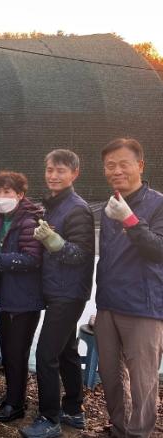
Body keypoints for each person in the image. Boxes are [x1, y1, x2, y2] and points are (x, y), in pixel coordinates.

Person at [20, 150, 95, 438]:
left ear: (75, 174)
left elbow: (81, 254)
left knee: (46, 354)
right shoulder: (53, 206)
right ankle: (73, 410)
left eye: (61, 170)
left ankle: (49, 418)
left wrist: (55, 242)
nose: (53, 175)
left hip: (68, 292)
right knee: (66, 351)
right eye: (50, 170)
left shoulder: (77, 209)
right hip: (58, 289)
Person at [94, 138, 163, 438]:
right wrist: (101, 305)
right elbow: (109, 257)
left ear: (140, 166)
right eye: (110, 166)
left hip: (142, 306)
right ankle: (119, 428)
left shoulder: (158, 204)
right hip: (109, 304)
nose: (116, 171)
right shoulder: (110, 205)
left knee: (142, 381)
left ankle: (138, 433)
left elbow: (158, 251)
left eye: (124, 164)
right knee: (110, 376)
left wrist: (131, 221)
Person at [0, 171, 43, 422]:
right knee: (9, 350)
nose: (1, 197)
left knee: (16, 351)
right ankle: (13, 395)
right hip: (7, 295)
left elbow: (33, 258)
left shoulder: (29, 221)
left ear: (20, 194)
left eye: (7, 192)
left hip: (24, 298)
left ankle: (16, 404)